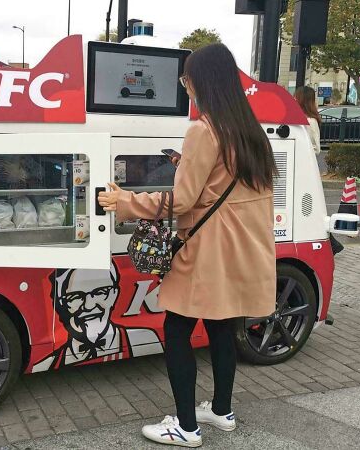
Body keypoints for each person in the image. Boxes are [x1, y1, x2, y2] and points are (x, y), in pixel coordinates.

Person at [98, 43, 277, 448]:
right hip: (241, 252)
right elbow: (229, 193)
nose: (186, 85)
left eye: (187, 78)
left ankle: (185, 427)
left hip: (205, 254)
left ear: (201, 81)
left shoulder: (203, 129)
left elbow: (182, 202)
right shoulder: (251, 132)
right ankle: (221, 411)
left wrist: (125, 201)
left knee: (177, 330)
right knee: (222, 329)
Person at [31, 261, 162, 372]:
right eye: (76, 296)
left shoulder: (146, 336)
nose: (88, 306)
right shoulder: (47, 362)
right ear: (60, 303)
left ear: (115, 294)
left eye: (100, 292)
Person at [294, 86, 322, 155]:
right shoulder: (295, 119)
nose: (294, 99)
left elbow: (316, 149)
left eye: (296, 97)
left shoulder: (310, 121)